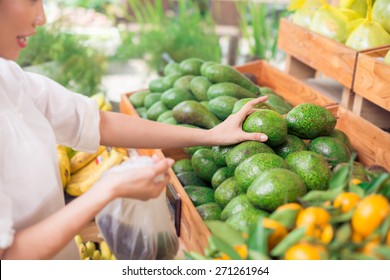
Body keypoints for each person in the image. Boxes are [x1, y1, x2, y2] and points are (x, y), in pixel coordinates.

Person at [0, 0, 268, 260]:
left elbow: (99, 123)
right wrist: (108, 190)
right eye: (31, 0)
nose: (42, 17)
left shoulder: (11, 78)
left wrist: (211, 135)